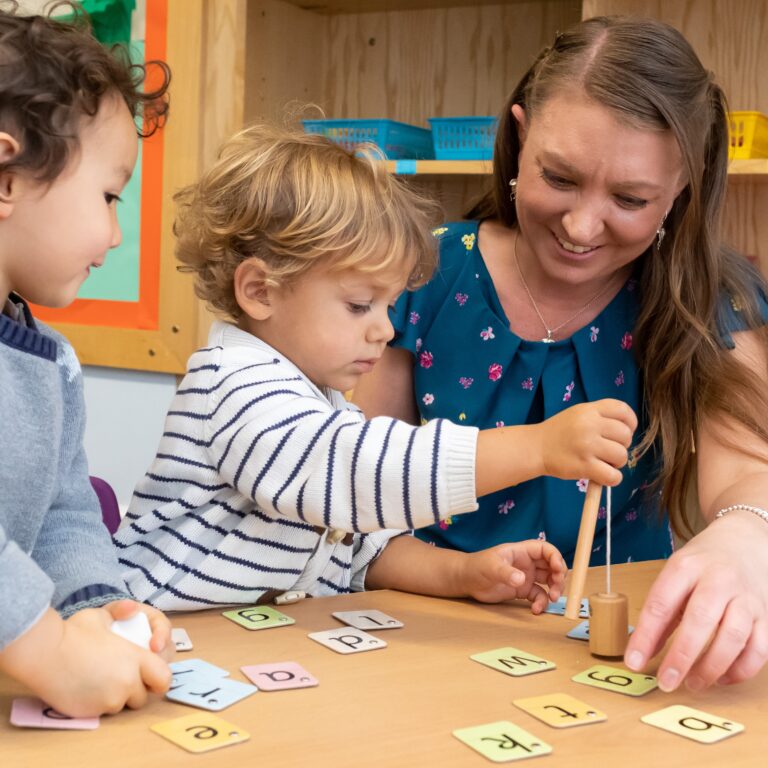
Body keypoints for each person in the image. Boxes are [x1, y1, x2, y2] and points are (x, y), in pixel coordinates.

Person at [354, 15, 768, 693]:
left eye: (631, 199)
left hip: (617, 652)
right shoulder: (421, 270)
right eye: (560, 177)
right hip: (424, 630)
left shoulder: (710, 298)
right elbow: (362, 490)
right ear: (518, 137)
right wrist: (454, 575)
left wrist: (749, 537)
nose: (580, 227)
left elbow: (748, 479)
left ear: (681, 190)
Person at [112, 123, 644, 614]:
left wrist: (462, 572)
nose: (386, 330)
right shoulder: (233, 384)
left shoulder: (316, 399)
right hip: (150, 636)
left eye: (388, 307)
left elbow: (356, 547)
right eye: (358, 305)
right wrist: (536, 448)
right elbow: (352, 474)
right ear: (259, 291)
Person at [0, 6, 173, 718]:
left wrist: (96, 604)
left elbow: (63, 513)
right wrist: (50, 650)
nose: (112, 232)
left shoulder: (50, 363)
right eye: (107, 196)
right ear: (5, 178)